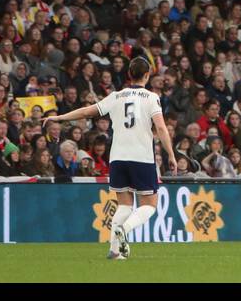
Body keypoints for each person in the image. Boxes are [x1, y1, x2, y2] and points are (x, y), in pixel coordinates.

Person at [48, 56, 176, 260]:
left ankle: (115, 251)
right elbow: (160, 127)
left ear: (128, 74)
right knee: (149, 205)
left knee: (124, 205)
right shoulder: (151, 98)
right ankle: (125, 229)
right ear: (147, 75)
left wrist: (60, 117)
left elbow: (87, 112)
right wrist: (170, 153)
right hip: (141, 157)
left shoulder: (116, 96)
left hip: (117, 158)